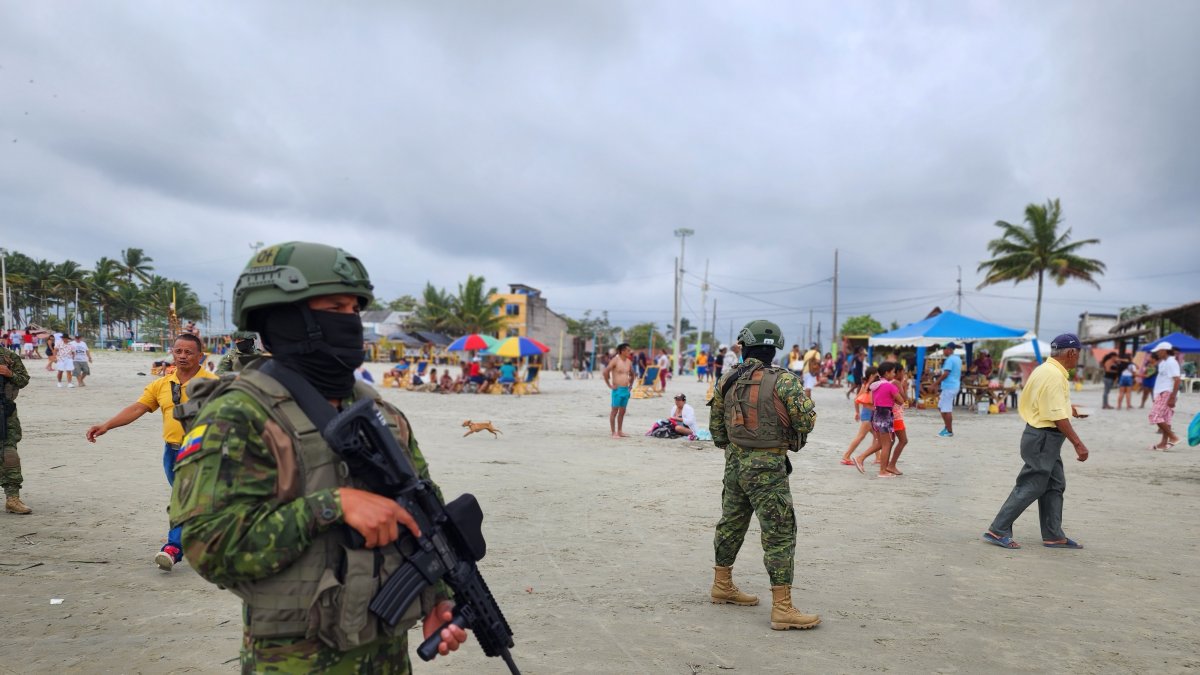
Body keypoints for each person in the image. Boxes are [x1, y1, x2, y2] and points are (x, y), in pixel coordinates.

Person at [169, 242, 467, 670]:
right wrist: (334, 506)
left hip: (386, 657)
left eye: (354, 310)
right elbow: (210, 546)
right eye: (336, 307)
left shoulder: (379, 413)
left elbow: (423, 516)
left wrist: (438, 597)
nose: (350, 322)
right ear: (286, 317)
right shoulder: (240, 415)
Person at [709, 319, 820, 631]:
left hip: (734, 462)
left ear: (744, 347)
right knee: (780, 532)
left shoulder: (727, 378)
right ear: (775, 350)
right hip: (768, 466)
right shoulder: (784, 381)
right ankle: (783, 608)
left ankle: (722, 584)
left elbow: (717, 429)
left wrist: (737, 447)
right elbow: (805, 422)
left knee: (731, 522)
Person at [85, 333, 218, 569]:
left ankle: (173, 548)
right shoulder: (161, 384)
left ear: (200, 355)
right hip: (172, 452)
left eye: (189, 352)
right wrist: (107, 425)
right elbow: (138, 408)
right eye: (178, 351)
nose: (183, 356)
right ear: (173, 353)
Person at [983, 333, 1089, 550]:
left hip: (1042, 436)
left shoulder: (1044, 370)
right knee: (1032, 483)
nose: (1078, 358)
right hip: (1043, 437)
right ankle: (998, 528)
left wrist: (1071, 410)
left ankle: (1053, 534)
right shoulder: (1054, 375)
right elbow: (1057, 416)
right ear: (1071, 352)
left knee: (1054, 484)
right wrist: (1078, 443)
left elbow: (1049, 404)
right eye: (1077, 354)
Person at [1, 342, 32, 514]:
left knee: (9, 453)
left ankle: (12, 498)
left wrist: (9, 373)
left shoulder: (9, 356)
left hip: (5, 412)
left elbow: (24, 379)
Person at [840, 366, 878, 465]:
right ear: (872, 375)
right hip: (869, 415)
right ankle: (846, 456)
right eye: (876, 375)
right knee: (860, 436)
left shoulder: (865, 385)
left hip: (867, 414)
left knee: (877, 437)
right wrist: (857, 412)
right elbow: (862, 400)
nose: (878, 376)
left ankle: (878, 458)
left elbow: (856, 400)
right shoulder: (870, 386)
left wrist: (857, 412)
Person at [1148, 342, 1182, 450]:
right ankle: (1163, 443)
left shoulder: (1172, 362)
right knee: (1166, 418)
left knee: (1154, 416)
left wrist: (1172, 397)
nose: (1157, 353)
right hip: (1161, 392)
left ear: (1164, 350)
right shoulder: (1164, 362)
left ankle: (1173, 437)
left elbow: (1177, 379)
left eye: (1158, 351)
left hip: (1167, 392)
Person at [603, 343, 634, 438]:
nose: (629, 352)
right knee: (614, 411)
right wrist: (609, 385)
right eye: (628, 350)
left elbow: (632, 374)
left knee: (622, 411)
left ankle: (620, 431)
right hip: (617, 390)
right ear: (622, 351)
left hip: (625, 390)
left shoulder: (629, 361)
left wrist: (630, 386)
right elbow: (605, 372)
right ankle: (613, 432)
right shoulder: (615, 360)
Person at [935, 343, 962, 437]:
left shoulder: (950, 359)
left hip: (950, 386)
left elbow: (946, 373)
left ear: (950, 349)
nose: (943, 351)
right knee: (941, 407)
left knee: (946, 409)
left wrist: (935, 383)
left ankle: (949, 430)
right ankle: (947, 427)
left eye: (944, 349)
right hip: (951, 385)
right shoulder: (957, 358)